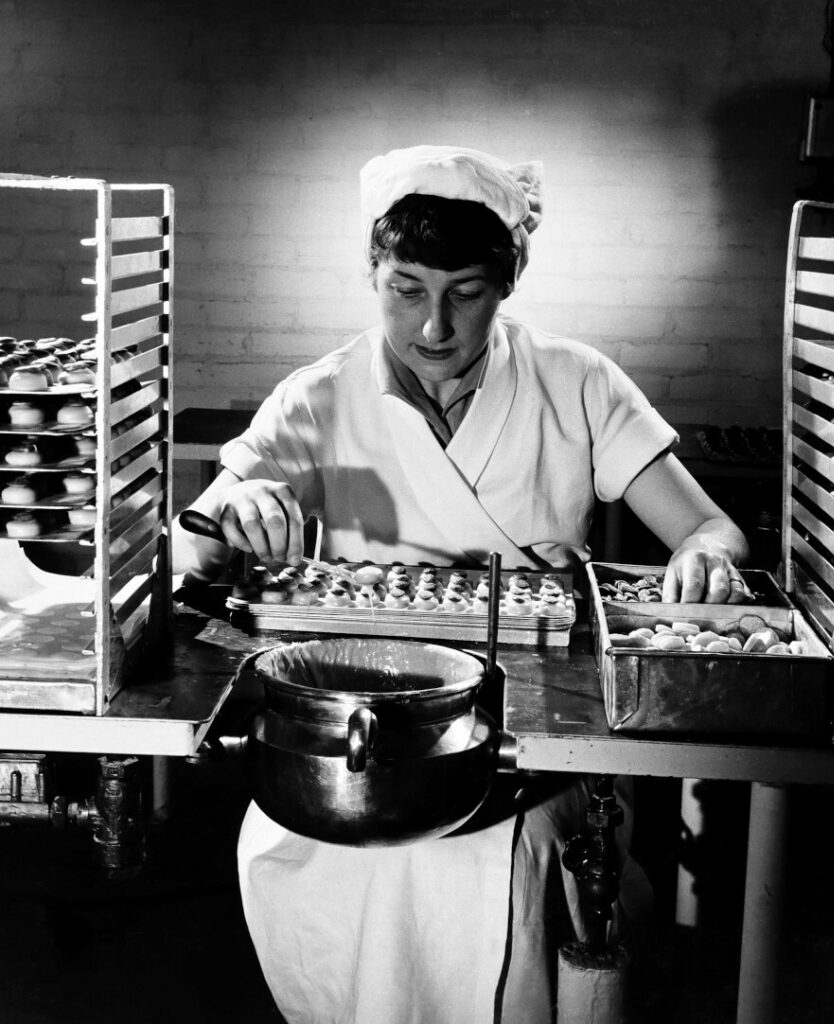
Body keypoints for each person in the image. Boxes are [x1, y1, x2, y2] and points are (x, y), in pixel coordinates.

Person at [173, 144, 750, 1024]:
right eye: (406, 289)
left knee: (496, 891)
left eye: (465, 293)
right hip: (362, 729)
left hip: (533, 740)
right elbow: (199, 545)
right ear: (373, 274)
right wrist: (237, 511)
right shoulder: (319, 398)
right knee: (336, 882)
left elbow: (710, 527)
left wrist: (705, 555)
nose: (433, 327)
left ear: (508, 282)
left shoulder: (577, 382)